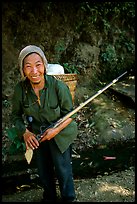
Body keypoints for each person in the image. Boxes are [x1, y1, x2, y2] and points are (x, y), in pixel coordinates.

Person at [11, 45, 78, 202]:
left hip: (60, 134)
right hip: (38, 136)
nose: (34, 71)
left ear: (44, 66)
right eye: (28, 66)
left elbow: (70, 115)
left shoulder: (58, 87)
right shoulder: (20, 90)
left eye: (38, 65)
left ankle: (69, 198)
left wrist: (55, 130)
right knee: (43, 170)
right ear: (23, 70)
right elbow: (15, 116)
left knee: (63, 169)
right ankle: (49, 197)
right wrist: (25, 133)